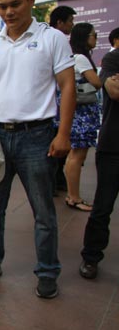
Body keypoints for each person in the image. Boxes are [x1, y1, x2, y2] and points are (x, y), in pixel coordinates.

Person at [0, 0, 75, 299]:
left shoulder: (52, 38)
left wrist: (63, 133)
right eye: (3, 5)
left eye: (15, 4)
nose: (8, 12)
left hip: (36, 137)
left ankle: (48, 271)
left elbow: (67, 85)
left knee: (43, 211)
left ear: (31, 1)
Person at [79, 49, 119, 279]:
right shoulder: (114, 58)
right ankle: (91, 256)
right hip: (113, 145)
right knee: (103, 206)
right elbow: (113, 91)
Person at [64, 23, 102, 212]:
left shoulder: (72, 56)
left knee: (75, 154)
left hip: (76, 111)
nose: (96, 38)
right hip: (82, 113)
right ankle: (74, 196)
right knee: (77, 155)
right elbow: (96, 82)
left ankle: (72, 194)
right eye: (94, 35)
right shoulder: (81, 59)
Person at [49, 5, 75, 194]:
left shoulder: (57, 41)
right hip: (51, 110)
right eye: (69, 21)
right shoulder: (53, 40)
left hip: (57, 110)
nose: (71, 25)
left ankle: (56, 179)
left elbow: (68, 86)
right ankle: (55, 179)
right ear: (60, 22)